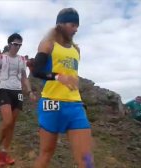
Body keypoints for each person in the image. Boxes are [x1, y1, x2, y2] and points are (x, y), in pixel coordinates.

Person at [32, 8, 94, 168]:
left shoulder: (76, 50)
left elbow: (72, 76)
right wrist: (58, 77)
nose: (76, 29)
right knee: (46, 155)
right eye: (72, 25)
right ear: (60, 24)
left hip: (75, 106)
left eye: (77, 26)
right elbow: (37, 71)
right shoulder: (48, 44)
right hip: (51, 104)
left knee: (86, 160)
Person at [0, 33, 36, 166]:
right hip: (4, 90)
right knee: (7, 121)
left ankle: (4, 153)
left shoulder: (21, 60)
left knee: (12, 125)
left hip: (17, 92)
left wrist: (29, 91)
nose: (17, 47)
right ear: (9, 44)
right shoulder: (0, 57)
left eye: (20, 45)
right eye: (15, 44)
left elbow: (24, 77)